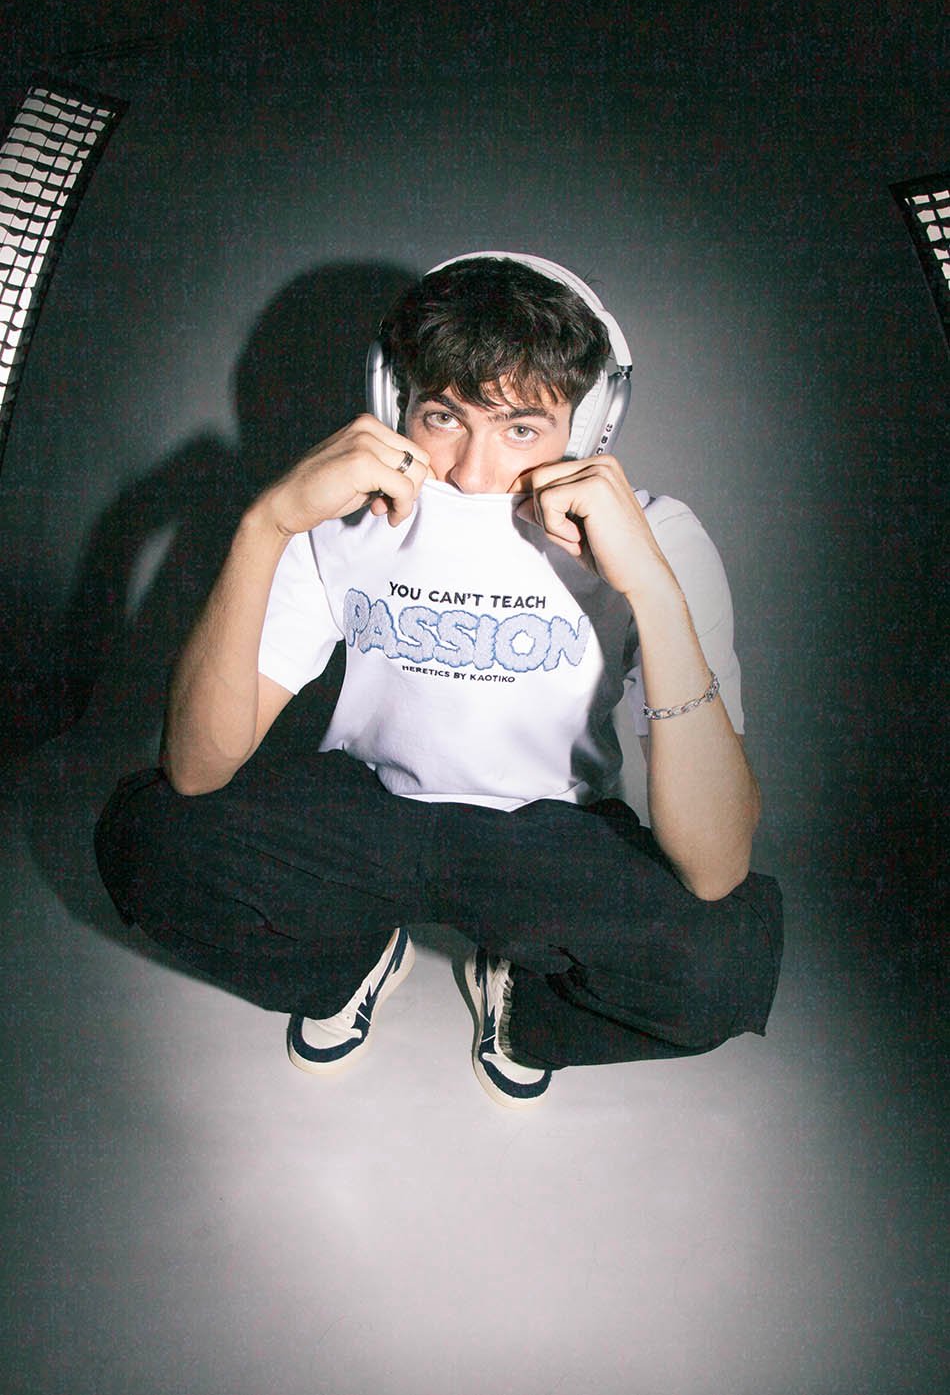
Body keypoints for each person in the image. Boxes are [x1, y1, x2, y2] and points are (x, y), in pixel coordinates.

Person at [95, 252, 782, 1109]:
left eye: (521, 428)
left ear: (591, 423)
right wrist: (266, 523)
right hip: (368, 807)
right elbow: (197, 769)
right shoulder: (345, 519)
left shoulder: (659, 536)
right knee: (144, 837)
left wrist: (652, 587)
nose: (472, 473)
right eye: (443, 416)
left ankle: (523, 1001)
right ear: (395, 402)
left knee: (725, 961)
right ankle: (352, 962)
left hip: (547, 832)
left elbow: (715, 866)